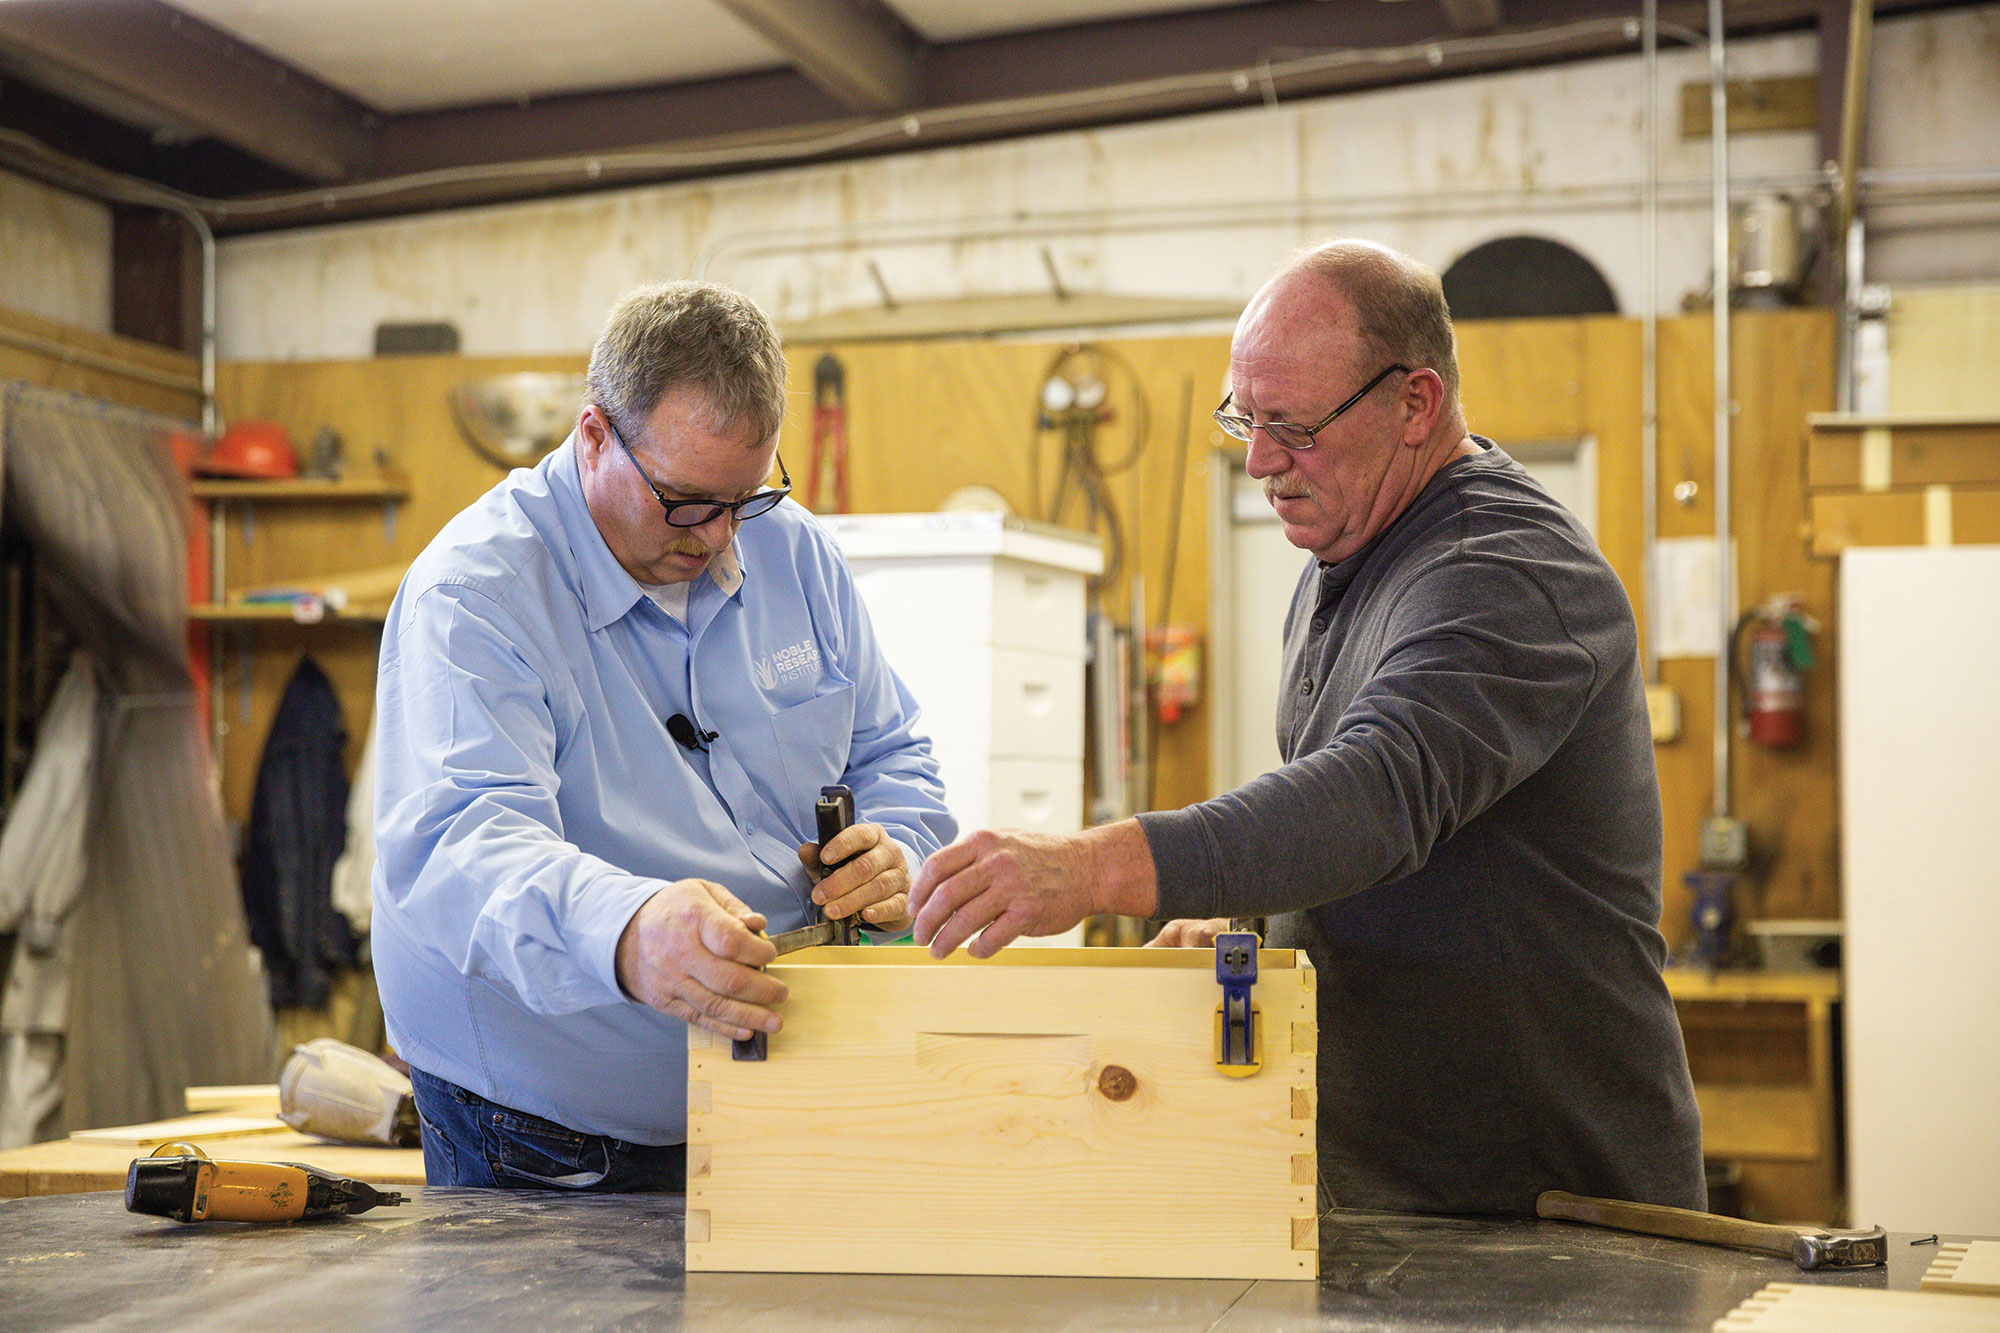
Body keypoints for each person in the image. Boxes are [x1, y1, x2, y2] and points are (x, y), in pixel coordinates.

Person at [908, 239, 1704, 1216]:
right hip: (1396, 1188)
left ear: (1413, 404)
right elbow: (1381, 852)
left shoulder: (1503, 573)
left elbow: (1376, 796)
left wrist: (1089, 867)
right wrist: (1250, 921)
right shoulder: (1347, 558)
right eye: (1244, 419)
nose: (1259, 462)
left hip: (1543, 1204)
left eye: (1292, 426)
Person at [373, 280, 955, 1191]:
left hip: (777, 1102)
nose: (718, 537)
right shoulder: (476, 595)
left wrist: (902, 852)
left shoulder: (793, 554)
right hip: (543, 1137)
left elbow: (894, 755)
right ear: (595, 434)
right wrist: (628, 932)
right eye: (685, 501)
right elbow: (461, 848)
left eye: (744, 498)